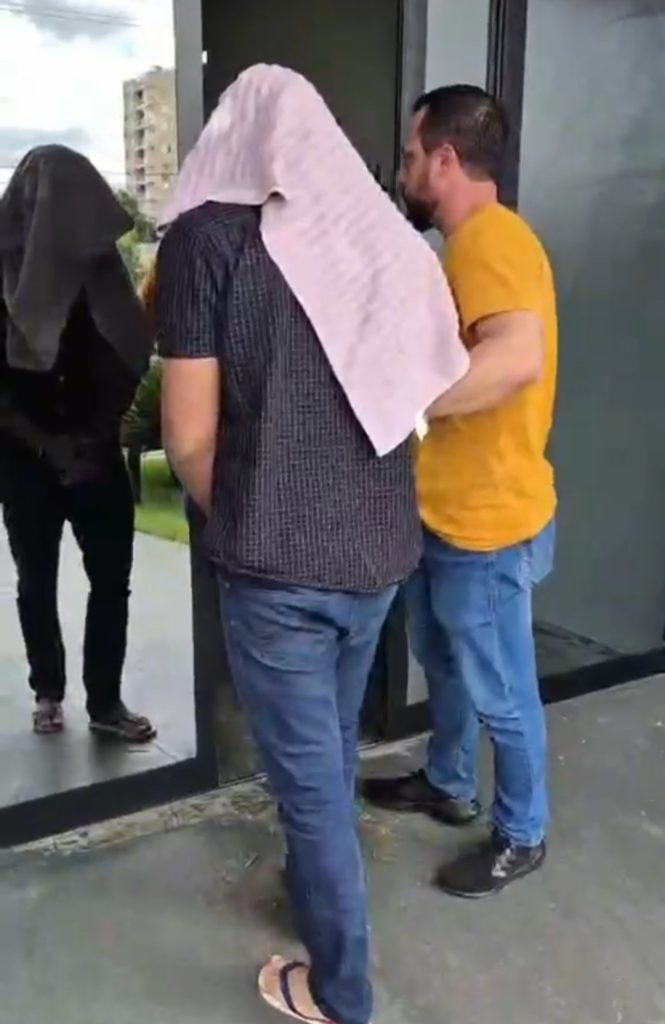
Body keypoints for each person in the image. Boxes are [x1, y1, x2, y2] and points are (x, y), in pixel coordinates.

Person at [156, 64, 468, 1024]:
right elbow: (415, 387)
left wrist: (257, 512)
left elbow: (188, 437)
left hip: (277, 570)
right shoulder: (383, 239)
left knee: (311, 788)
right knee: (327, 745)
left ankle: (340, 995)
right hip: (379, 552)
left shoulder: (205, 241)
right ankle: (314, 895)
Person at [363, 85, 558, 899]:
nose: (403, 171)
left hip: (486, 523)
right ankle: (447, 782)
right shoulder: (468, 247)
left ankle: (522, 832)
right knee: (443, 661)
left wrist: (405, 399)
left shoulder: (488, 241)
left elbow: (517, 357)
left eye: (411, 157)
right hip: (446, 509)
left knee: (500, 691)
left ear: (444, 159)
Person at [0, 145, 156, 742]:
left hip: (97, 453)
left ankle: (106, 703)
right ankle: (47, 691)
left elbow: (130, 355)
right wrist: (48, 447)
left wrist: (92, 440)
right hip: (25, 460)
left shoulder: (103, 273)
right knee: (35, 581)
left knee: (111, 581)